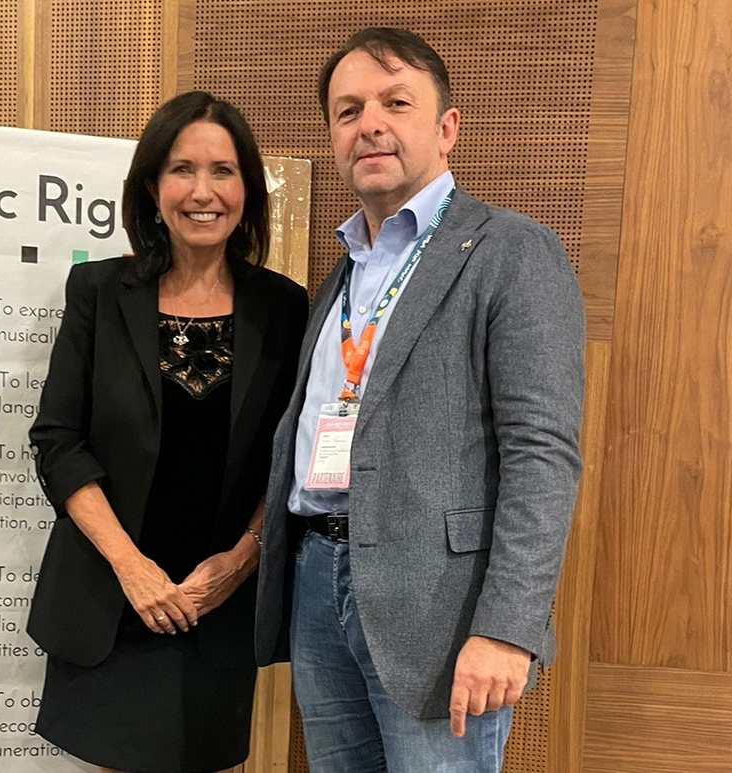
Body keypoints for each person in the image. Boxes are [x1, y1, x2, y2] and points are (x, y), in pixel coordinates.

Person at [254, 28, 585, 772]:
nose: (369, 123)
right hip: (317, 578)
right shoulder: (343, 273)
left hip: (442, 606)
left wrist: (508, 627)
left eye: (395, 103)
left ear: (446, 129)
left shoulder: (510, 249)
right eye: (348, 110)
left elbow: (542, 452)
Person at [27, 90, 308, 773]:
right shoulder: (98, 292)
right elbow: (58, 442)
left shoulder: (284, 307)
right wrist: (133, 569)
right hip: (112, 599)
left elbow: (292, 455)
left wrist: (239, 562)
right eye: (183, 169)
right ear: (152, 188)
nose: (202, 191)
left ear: (247, 190)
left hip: (217, 607)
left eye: (223, 170)